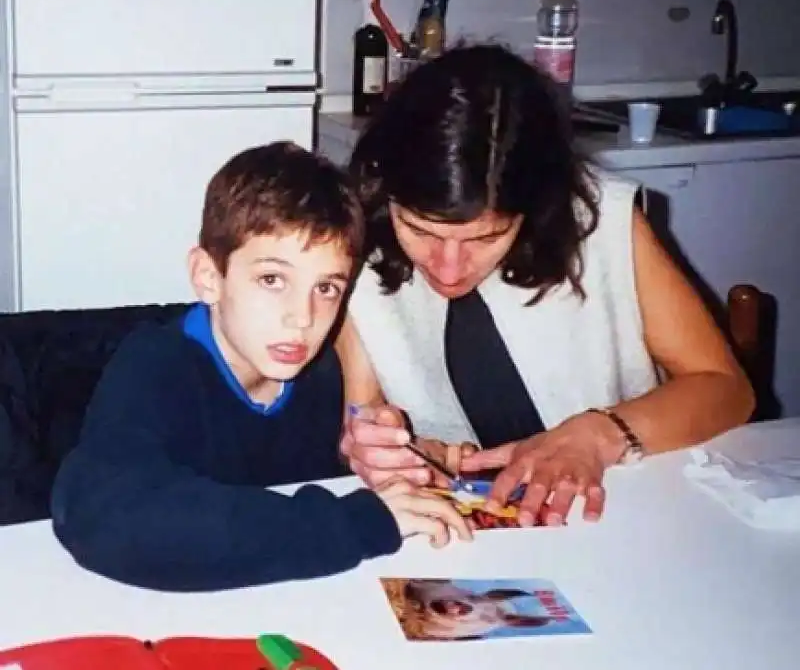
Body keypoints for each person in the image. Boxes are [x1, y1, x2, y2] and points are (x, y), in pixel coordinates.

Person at [336, 44, 754, 528]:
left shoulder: (603, 224)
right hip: (467, 527)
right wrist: (380, 453)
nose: (448, 268)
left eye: (488, 237)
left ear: (535, 208)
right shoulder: (356, 246)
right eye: (421, 231)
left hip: (625, 510)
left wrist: (601, 433)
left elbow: (726, 389)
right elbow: (361, 421)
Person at [50, 142, 471, 593]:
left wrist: (423, 457)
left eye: (326, 288)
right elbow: (108, 515)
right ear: (209, 276)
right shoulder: (156, 366)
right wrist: (358, 523)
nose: (303, 317)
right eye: (272, 280)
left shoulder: (323, 374)